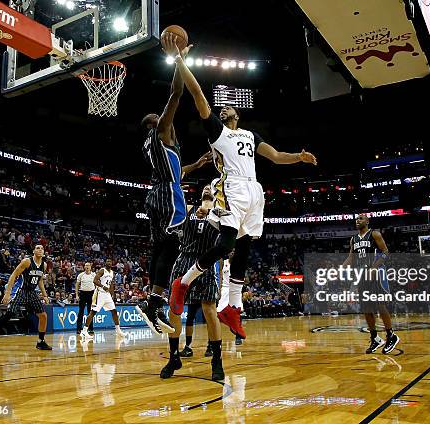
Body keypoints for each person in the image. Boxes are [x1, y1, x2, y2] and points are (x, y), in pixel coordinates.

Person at [163, 34, 317, 341]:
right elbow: (198, 96)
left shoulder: (250, 135)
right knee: (226, 245)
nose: (224, 111)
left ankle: (233, 307)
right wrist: (180, 60)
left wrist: (298, 157)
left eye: (229, 110)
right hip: (231, 186)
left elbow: (274, 156)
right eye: (222, 110)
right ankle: (185, 281)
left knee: (244, 249)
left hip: (254, 190)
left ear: (239, 115)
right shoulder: (218, 133)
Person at [135, 35, 207, 335]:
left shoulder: (155, 147)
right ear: (156, 123)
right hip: (169, 197)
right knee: (172, 246)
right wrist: (181, 58)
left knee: (160, 248)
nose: (164, 117)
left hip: (158, 194)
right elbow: (177, 92)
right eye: (159, 116)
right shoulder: (162, 130)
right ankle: (154, 302)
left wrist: (195, 166)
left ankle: (150, 302)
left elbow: (172, 173)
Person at [156, 184, 224, 380]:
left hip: (206, 261)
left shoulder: (220, 213)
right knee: (174, 308)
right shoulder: (188, 209)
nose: (206, 189)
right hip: (185, 259)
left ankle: (216, 359)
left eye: (210, 188)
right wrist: (177, 184)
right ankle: (174, 356)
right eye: (204, 188)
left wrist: (212, 211)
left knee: (209, 309)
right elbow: (170, 199)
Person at [342, 214, 400, 354]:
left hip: (375, 274)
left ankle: (391, 335)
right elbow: (351, 257)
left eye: (361, 218)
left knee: (380, 304)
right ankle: (375, 338)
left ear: (367, 221)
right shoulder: (353, 239)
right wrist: (341, 267)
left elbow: (386, 252)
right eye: (356, 219)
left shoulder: (374, 234)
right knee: (366, 308)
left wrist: (375, 266)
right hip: (362, 276)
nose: (358, 220)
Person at [0, 245, 53, 352]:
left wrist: (45, 295)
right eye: (38, 248)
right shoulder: (27, 262)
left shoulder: (44, 265)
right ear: (33, 251)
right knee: (9, 314)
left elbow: (40, 281)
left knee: (43, 316)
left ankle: (40, 342)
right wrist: (7, 293)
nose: (40, 250)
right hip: (21, 291)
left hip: (32, 293)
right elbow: (14, 275)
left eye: (42, 248)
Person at [80, 259, 127, 339]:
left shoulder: (112, 272)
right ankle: (84, 331)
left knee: (114, 311)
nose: (109, 262)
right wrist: (103, 286)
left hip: (107, 295)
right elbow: (94, 280)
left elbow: (111, 284)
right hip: (100, 293)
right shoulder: (102, 270)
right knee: (93, 312)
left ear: (112, 263)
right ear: (105, 263)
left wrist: (112, 294)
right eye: (107, 261)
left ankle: (118, 331)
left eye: (110, 261)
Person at [75, 262, 95, 335]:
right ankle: (78, 329)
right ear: (84, 267)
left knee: (90, 312)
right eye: (85, 266)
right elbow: (77, 285)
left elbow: (97, 285)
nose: (87, 267)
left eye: (88, 266)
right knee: (81, 312)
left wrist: (96, 296)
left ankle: (90, 328)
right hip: (83, 293)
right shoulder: (81, 275)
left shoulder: (94, 275)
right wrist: (77, 295)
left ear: (90, 267)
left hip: (91, 294)